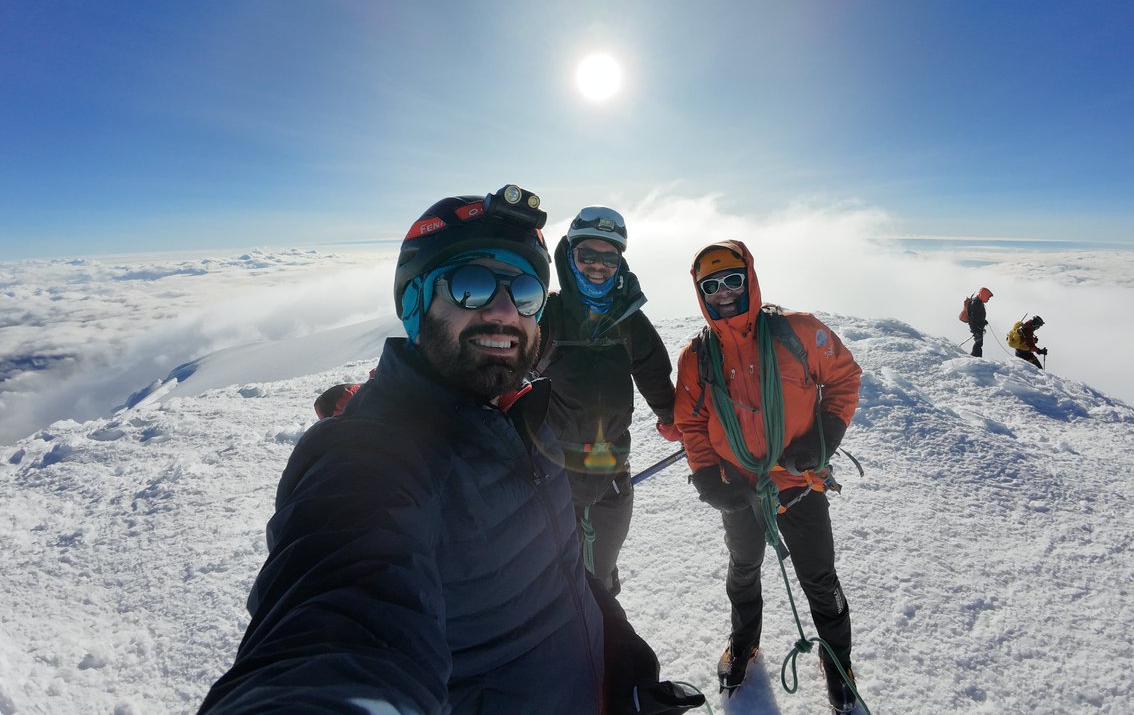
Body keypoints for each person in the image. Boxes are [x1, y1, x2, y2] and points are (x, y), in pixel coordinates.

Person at [200, 185, 703, 715]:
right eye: (471, 285)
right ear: (415, 301)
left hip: (608, 481)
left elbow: (559, 572)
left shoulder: (521, 414)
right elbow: (337, 620)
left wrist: (620, 663)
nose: (506, 311)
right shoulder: (372, 458)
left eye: (525, 293)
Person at [674, 240, 865, 714]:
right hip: (739, 488)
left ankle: (837, 660)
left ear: (750, 279)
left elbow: (843, 378)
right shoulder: (696, 358)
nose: (723, 292)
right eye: (711, 285)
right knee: (743, 568)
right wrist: (705, 475)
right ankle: (744, 644)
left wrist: (822, 438)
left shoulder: (796, 332)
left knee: (819, 578)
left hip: (800, 483)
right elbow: (692, 423)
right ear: (700, 292)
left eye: (732, 280)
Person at [534, 205, 678, 595]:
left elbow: (654, 376)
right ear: (571, 255)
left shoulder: (628, 321)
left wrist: (675, 421)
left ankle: (602, 645)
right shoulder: (545, 315)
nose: (599, 266)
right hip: (549, 478)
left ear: (620, 262)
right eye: (588, 256)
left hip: (611, 478)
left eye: (609, 257)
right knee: (549, 584)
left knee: (599, 580)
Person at [967, 287, 993, 357]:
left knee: (979, 343)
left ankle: (976, 359)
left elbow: (977, 317)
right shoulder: (976, 304)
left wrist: (983, 321)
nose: (988, 299)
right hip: (977, 329)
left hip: (978, 328)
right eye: (988, 297)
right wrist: (975, 330)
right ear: (984, 295)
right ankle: (975, 358)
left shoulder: (978, 302)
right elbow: (973, 319)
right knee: (978, 344)